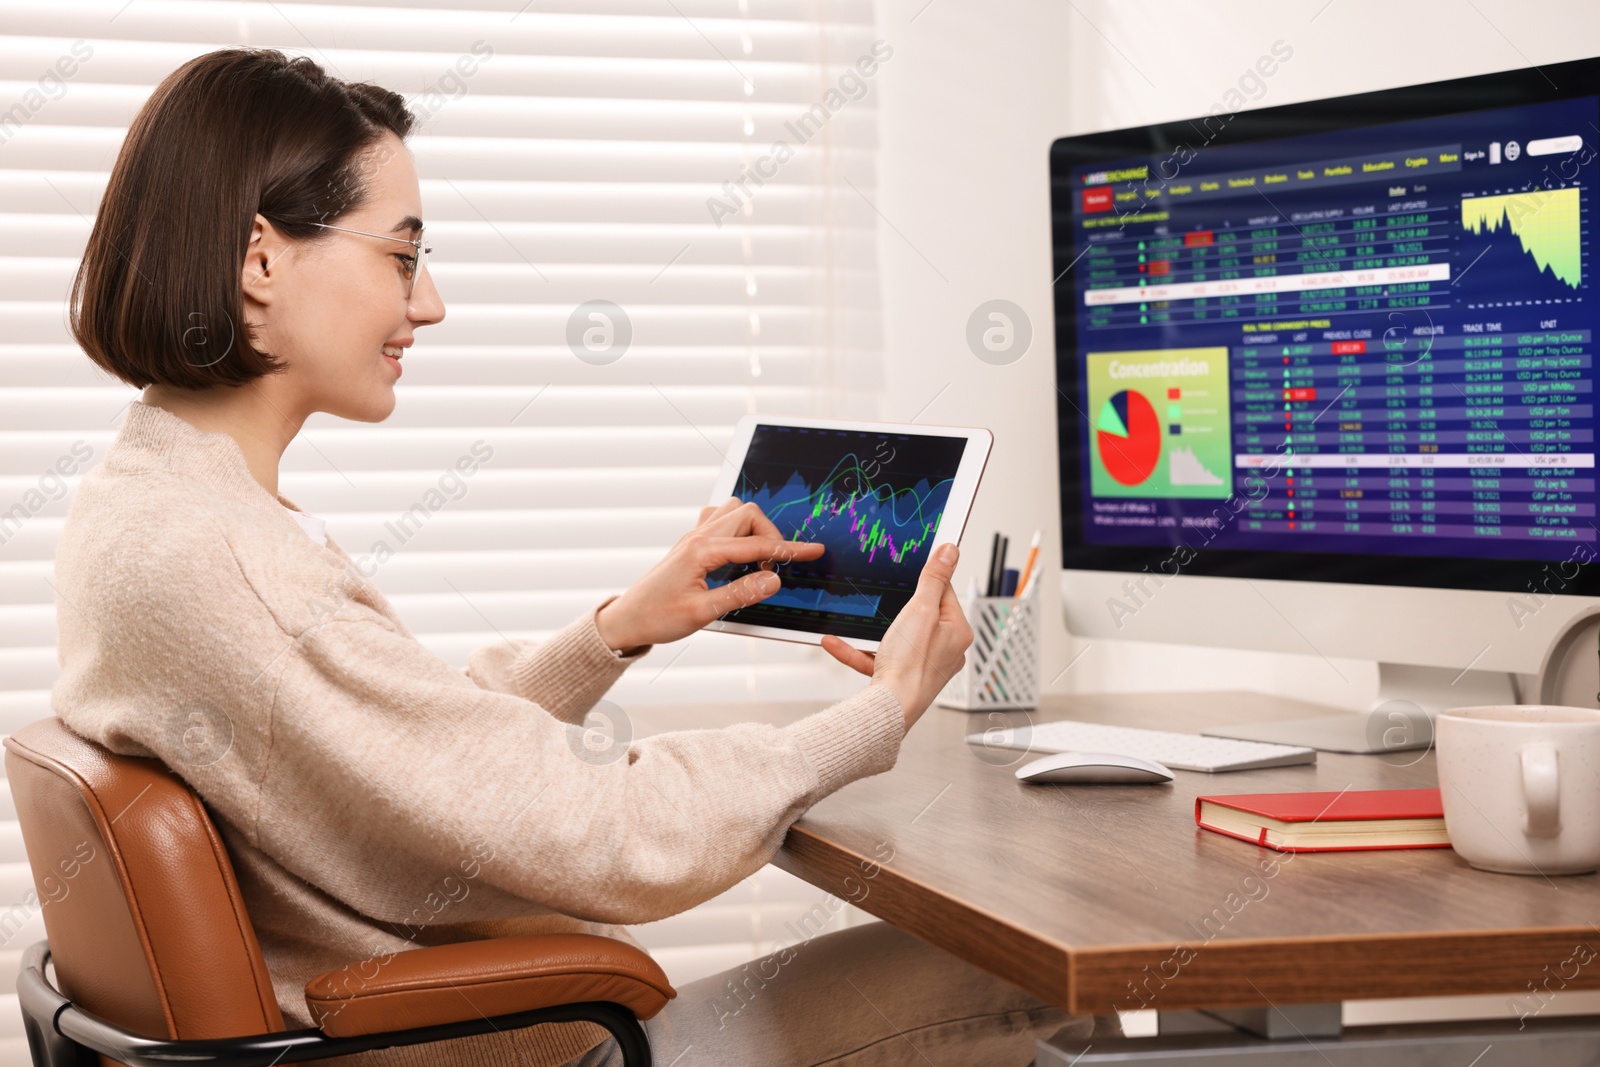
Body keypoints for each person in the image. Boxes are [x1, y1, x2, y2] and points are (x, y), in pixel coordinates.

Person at [52, 47, 1110, 1066]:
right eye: (403, 255)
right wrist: (879, 713)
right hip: (526, 1052)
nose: (429, 303)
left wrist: (614, 631)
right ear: (260, 259)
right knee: (1052, 964)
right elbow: (608, 831)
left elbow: (403, 743)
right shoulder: (231, 562)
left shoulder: (146, 506)